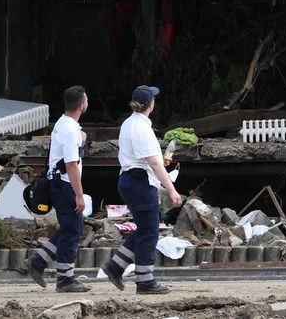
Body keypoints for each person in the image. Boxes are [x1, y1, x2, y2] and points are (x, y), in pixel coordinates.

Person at [100, 85, 182, 295]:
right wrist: (171, 190)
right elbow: (154, 164)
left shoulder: (129, 123)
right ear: (150, 104)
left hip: (130, 179)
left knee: (147, 228)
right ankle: (145, 280)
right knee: (149, 231)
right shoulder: (142, 128)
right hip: (140, 182)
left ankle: (115, 266)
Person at [25, 85, 89, 292]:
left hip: (58, 182)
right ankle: (65, 278)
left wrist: (80, 141)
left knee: (71, 228)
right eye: (86, 101)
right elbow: (71, 164)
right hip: (65, 184)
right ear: (82, 105)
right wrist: (79, 195)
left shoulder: (63, 124)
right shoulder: (70, 129)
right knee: (73, 231)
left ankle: (38, 261)